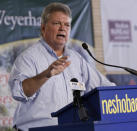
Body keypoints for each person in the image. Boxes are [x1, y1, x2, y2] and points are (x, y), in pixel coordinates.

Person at [8, 2, 114, 131]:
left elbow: (103, 87)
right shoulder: (28, 58)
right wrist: (46, 74)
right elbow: (19, 91)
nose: (62, 28)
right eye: (57, 23)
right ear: (43, 28)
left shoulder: (76, 59)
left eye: (67, 25)